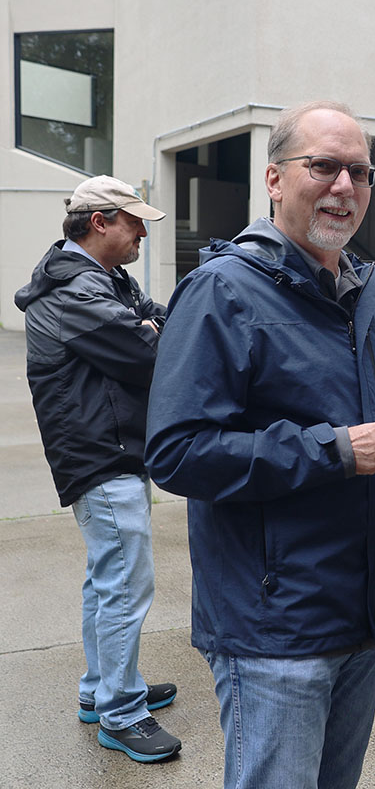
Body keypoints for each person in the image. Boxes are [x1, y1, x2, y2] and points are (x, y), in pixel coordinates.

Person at [144, 101, 375, 789]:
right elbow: (176, 452)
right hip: (273, 626)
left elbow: (359, 416)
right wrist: (337, 450)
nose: (343, 186)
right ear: (274, 179)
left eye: (358, 170)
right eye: (322, 166)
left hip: (364, 610)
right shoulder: (220, 293)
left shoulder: (365, 291)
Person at [13, 175, 182, 763]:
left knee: (107, 577)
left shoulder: (106, 278)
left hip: (113, 448)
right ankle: (120, 712)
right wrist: (148, 330)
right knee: (127, 584)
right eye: (133, 220)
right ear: (99, 222)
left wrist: (153, 323)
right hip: (97, 454)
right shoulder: (75, 292)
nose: (141, 231)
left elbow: (158, 320)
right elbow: (149, 354)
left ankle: (101, 691)